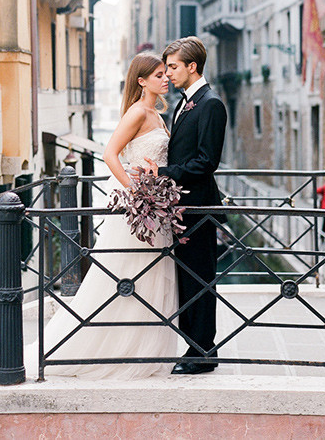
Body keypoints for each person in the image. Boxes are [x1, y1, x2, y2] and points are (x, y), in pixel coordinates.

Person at [36, 52, 177, 379]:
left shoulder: (157, 114)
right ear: (142, 81)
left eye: (165, 74)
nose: (165, 79)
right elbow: (110, 154)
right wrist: (135, 190)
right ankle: (115, 348)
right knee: (128, 275)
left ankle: (145, 349)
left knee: (151, 276)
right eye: (158, 75)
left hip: (155, 207)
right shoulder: (137, 112)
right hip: (140, 206)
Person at [144, 36, 227, 375]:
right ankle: (194, 348)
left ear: (192, 67)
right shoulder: (186, 102)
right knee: (187, 279)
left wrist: (163, 173)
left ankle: (204, 353)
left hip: (199, 209)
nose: (168, 73)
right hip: (182, 209)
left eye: (174, 67)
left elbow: (207, 162)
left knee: (200, 280)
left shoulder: (211, 104)